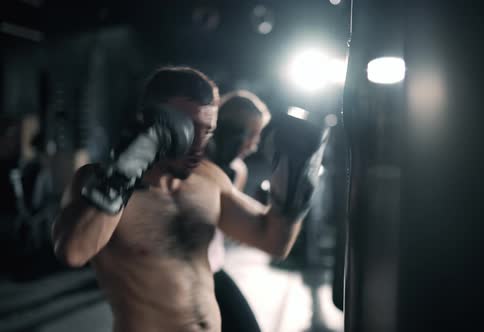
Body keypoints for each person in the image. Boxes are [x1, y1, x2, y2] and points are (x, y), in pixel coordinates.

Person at [51, 66, 328, 332]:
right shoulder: (97, 180)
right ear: (151, 121)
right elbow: (73, 252)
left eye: (207, 130)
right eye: (188, 129)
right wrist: (124, 173)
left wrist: (294, 187)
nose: (199, 146)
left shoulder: (210, 178)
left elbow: (274, 241)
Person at [206, 90, 271, 332]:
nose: (254, 145)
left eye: (258, 136)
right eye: (250, 135)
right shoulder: (192, 164)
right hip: (188, 270)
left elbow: (227, 225)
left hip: (213, 264)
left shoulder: (237, 170)